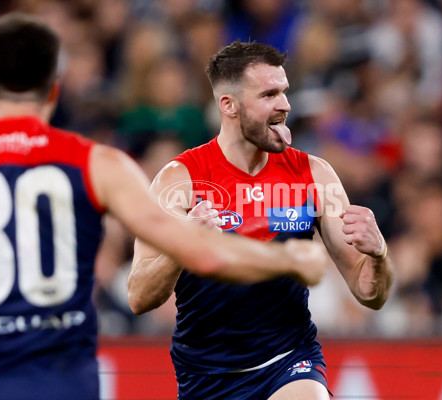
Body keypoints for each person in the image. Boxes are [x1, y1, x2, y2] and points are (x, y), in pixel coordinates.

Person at [0, 15, 328, 400]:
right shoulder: (100, 165)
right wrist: (289, 261)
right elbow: (199, 254)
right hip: (61, 378)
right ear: (54, 90)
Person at [128, 41, 394, 400]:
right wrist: (182, 244)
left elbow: (369, 292)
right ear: (229, 106)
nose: (284, 105)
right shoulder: (180, 181)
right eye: (269, 95)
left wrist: (378, 256)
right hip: (206, 377)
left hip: (289, 361)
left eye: (284, 92)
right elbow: (139, 297)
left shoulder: (313, 175)